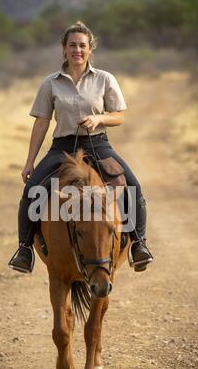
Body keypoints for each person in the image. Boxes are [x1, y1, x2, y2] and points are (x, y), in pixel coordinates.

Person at [8, 21, 153, 274]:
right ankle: (24, 249)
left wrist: (99, 119)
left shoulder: (105, 79)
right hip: (62, 148)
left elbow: (119, 115)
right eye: (72, 45)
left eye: (82, 45)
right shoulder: (50, 83)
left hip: (98, 144)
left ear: (90, 49)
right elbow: (42, 123)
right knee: (32, 190)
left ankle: (139, 244)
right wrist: (29, 161)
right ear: (64, 49)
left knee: (132, 187)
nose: (77, 50)